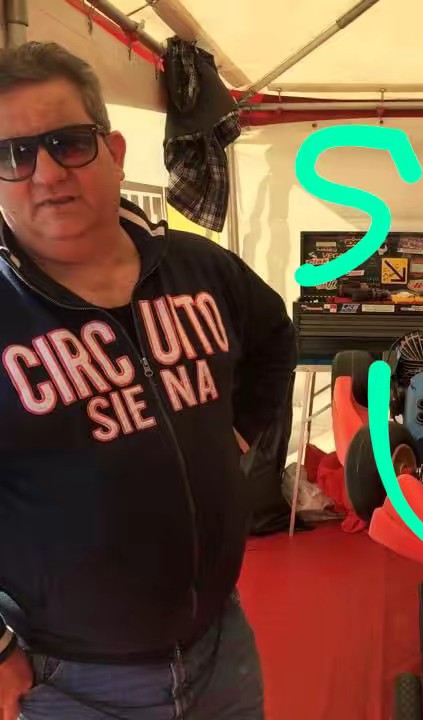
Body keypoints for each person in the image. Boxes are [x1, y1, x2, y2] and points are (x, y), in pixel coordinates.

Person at [0, 41, 297, 719]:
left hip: (220, 646)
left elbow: (274, 336)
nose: (46, 173)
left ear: (115, 151)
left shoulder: (200, 268)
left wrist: (238, 434)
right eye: (13, 155)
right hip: (69, 681)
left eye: (68, 143)